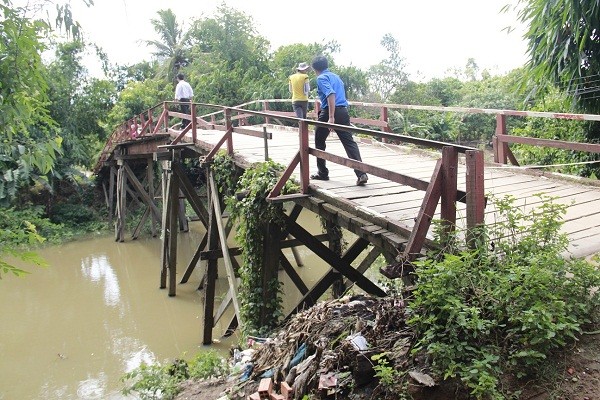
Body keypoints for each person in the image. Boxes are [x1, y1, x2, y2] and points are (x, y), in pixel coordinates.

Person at [310, 55, 368, 186]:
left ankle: (322, 173)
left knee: (319, 140)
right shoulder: (337, 77)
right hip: (343, 110)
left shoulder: (321, 78)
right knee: (349, 142)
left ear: (315, 68)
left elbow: (331, 94)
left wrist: (331, 117)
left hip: (330, 112)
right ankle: (361, 173)